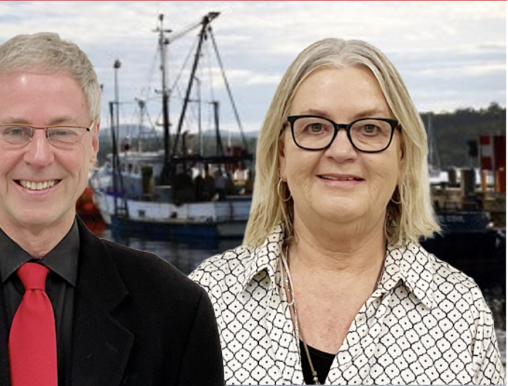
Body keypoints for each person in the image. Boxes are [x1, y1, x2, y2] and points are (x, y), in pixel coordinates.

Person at [0, 32, 224, 386]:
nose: (40, 157)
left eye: (62, 131)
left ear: (91, 145)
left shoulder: (175, 308)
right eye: (15, 131)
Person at [189, 38, 505, 385]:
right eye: (314, 126)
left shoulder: (460, 309)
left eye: (370, 128)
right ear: (281, 155)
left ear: (401, 156)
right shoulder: (206, 296)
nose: (341, 150)